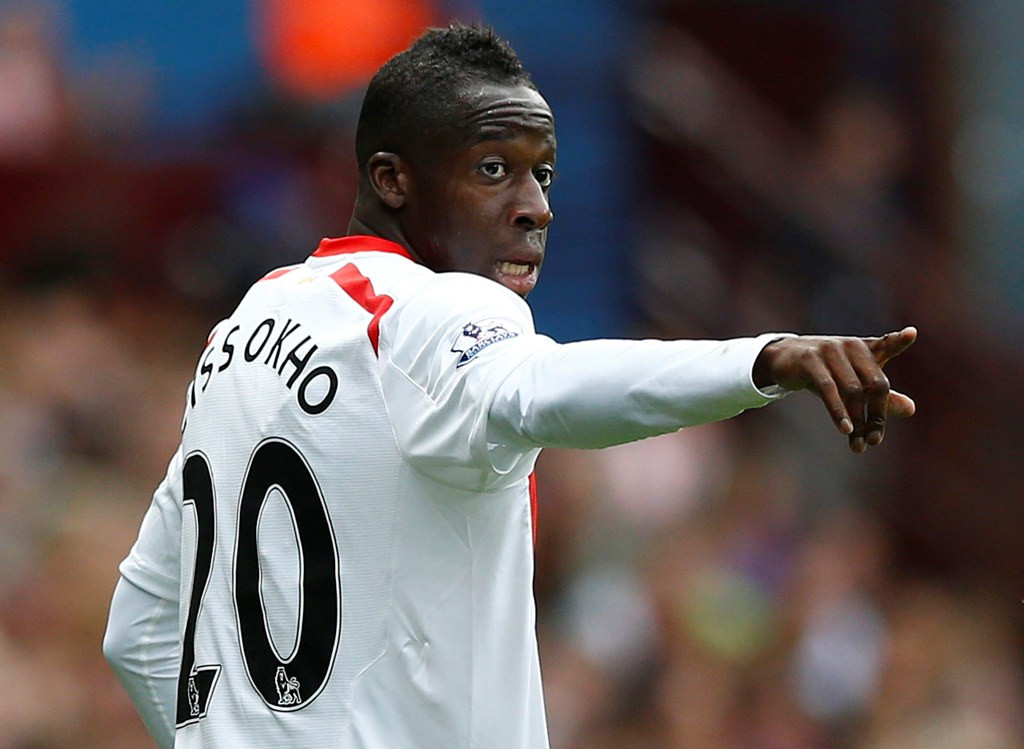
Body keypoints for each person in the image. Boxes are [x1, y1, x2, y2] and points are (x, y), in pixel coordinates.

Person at [102, 23, 916, 749]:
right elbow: (546, 388)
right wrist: (758, 360)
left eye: (545, 174)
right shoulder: (429, 308)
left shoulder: (245, 327)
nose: (535, 207)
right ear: (392, 179)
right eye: (495, 169)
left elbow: (137, 628)